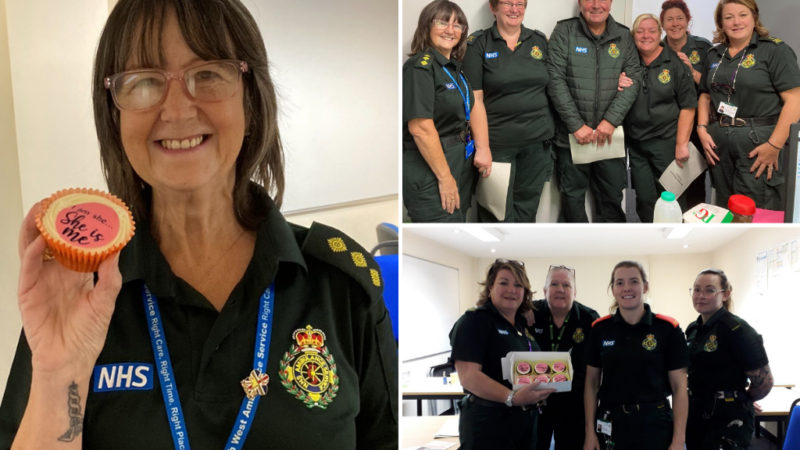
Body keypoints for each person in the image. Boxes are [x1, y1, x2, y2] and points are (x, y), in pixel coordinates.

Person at [0, 1, 398, 448]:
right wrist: (59, 375)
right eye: (144, 81)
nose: (176, 109)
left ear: (251, 96)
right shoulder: (81, 289)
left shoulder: (339, 286)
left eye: (208, 73)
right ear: (115, 114)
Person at [697, 0, 800, 211]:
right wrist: (701, 129)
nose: (736, 22)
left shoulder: (774, 51)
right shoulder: (714, 54)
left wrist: (774, 146)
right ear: (721, 23)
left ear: (754, 18)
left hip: (759, 142)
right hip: (720, 142)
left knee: (756, 207)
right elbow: (705, 95)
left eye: (742, 15)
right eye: (728, 17)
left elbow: (795, 99)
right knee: (724, 206)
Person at [547, 0, 642, 223]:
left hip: (610, 137)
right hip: (571, 138)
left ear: (610, 2)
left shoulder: (623, 36)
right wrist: (576, 125)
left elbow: (634, 80)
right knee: (572, 200)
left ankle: (611, 249)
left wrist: (611, 120)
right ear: (580, 3)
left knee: (611, 198)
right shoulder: (564, 31)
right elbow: (555, 80)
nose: (596, 5)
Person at [461, 0, 554, 223]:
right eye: (507, 3)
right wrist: (482, 148)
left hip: (537, 143)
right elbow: (475, 100)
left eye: (520, 3)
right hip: (497, 145)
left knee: (527, 208)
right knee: (496, 211)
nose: (514, 9)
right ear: (493, 8)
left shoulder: (539, 41)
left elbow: (558, 82)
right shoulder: (478, 44)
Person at [450, 260, 556, 449]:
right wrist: (512, 397)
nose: (511, 290)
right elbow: (468, 377)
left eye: (518, 285)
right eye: (504, 283)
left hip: (525, 422)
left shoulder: (521, 325)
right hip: (489, 423)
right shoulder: (475, 321)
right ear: (490, 286)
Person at [584, 261, 688, 450]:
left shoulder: (667, 329)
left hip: (655, 423)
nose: (627, 288)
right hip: (610, 421)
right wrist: (590, 433)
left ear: (645, 286)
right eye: (620, 283)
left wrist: (679, 440)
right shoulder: (600, 329)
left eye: (634, 281)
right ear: (613, 289)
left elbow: (679, 387)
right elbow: (591, 384)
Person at [404, 0, 476, 222]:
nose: (450, 30)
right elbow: (420, 129)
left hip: (459, 158)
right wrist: (445, 178)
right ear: (427, 26)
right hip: (434, 166)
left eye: (457, 25)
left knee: (457, 222)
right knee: (442, 223)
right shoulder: (420, 68)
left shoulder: (452, 68)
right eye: (442, 22)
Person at [685, 269, 773, 450]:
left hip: (727, 419)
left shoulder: (738, 331)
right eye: (696, 290)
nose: (700, 295)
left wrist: (742, 399)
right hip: (695, 412)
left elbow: (765, 382)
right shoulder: (693, 329)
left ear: (725, 294)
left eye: (709, 290)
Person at [623, 14, 697, 222]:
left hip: (667, 143)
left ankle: (674, 245)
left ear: (660, 33)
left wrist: (682, 144)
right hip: (636, 145)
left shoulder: (675, 64)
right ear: (633, 35)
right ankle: (651, 240)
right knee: (644, 199)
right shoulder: (628, 62)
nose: (646, 35)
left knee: (671, 197)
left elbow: (688, 107)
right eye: (640, 31)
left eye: (652, 31)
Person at [526, 265, 599, 450]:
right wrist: (521, 308)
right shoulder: (528, 313)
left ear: (575, 292)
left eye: (566, 285)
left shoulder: (590, 319)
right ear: (544, 291)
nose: (560, 289)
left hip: (575, 405)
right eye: (554, 284)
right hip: (534, 401)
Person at [660, 0, 714, 209]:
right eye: (669, 20)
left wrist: (692, 72)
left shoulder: (703, 48)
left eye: (680, 18)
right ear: (662, 24)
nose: (675, 24)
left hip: (697, 126)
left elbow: (712, 87)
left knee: (694, 181)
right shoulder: (655, 47)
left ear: (688, 20)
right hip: (665, 125)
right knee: (666, 179)